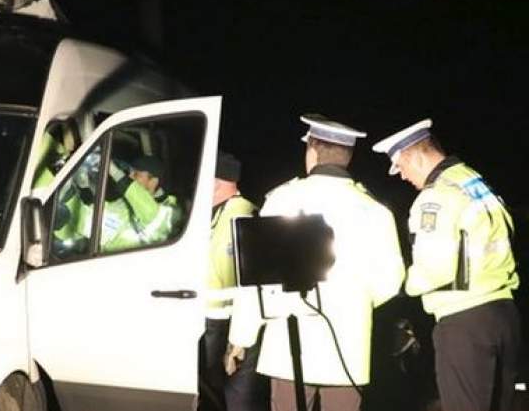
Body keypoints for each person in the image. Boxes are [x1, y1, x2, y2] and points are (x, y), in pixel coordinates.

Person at [226, 114, 405, 411]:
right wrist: (355, 301)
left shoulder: (284, 200)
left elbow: (257, 277)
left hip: (290, 342)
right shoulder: (376, 211)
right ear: (347, 156)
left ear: (312, 150)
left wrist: (241, 338)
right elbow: (391, 280)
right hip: (348, 344)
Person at [372, 119, 521, 411]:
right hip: (504, 313)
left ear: (416, 156)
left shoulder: (435, 197)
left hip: (465, 321)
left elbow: (435, 269)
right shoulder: (475, 181)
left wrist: (404, 283)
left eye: (401, 166)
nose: (401, 176)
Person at [199, 152, 269, 411]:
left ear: (216, 182)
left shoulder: (243, 215)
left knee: (235, 395)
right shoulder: (221, 212)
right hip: (215, 319)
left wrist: (237, 338)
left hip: (231, 322)